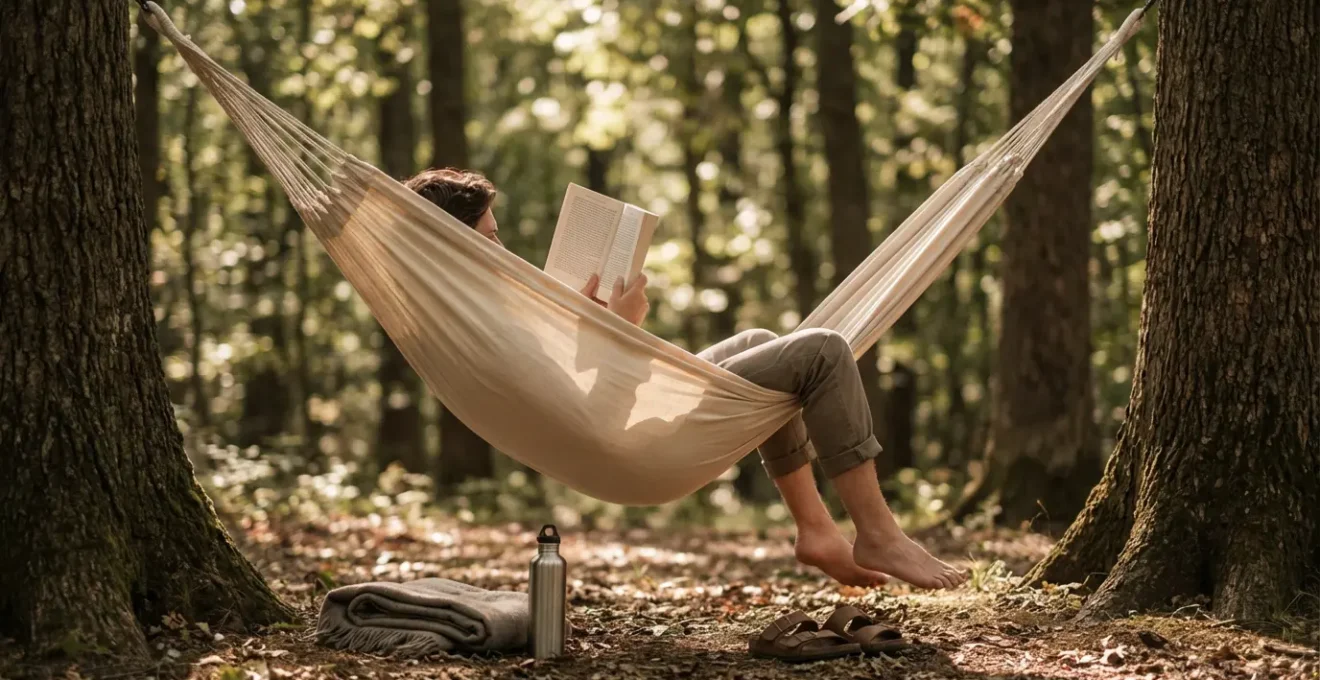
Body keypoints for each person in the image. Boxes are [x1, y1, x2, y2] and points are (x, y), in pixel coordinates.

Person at [404, 167, 967, 591]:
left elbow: (561, 394)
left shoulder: (471, 321)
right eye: (490, 238)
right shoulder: (493, 330)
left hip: (616, 440)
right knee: (823, 351)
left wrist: (591, 329)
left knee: (758, 347)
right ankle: (879, 534)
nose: (502, 249)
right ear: (456, 248)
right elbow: (597, 419)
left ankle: (816, 530)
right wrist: (620, 334)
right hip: (630, 453)